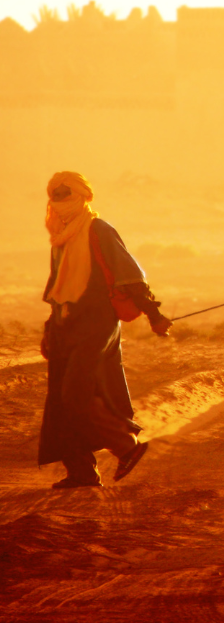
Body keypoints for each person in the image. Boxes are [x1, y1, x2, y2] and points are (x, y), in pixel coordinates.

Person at [39, 171, 171, 488]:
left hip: (96, 323)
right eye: (55, 196)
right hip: (64, 325)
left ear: (83, 196)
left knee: (76, 392)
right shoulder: (61, 234)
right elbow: (57, 285)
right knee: (61, 398)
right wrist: (49, 328)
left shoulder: (98, 229)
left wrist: (154, 315)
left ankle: (126, 447)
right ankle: (81, 470)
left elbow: (129, 274)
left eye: (65, 194)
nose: (59, 202)